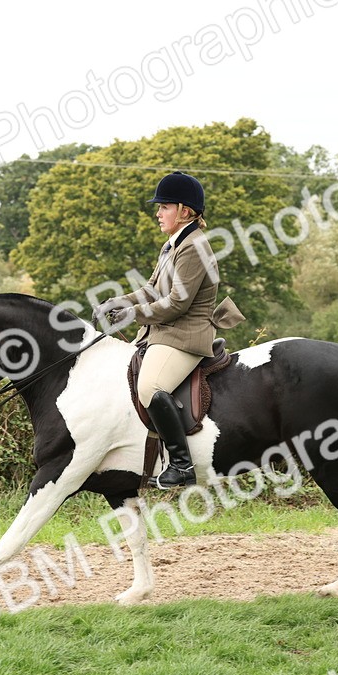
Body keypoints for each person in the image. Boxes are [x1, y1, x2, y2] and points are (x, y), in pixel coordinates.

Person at [94, 171, 244, 488]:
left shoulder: (194, 248)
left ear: (184, 211)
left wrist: (130, 314)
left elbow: (177, 303)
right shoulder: (172, 245)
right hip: (165, 333)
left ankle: (182, 463)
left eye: (164, 207)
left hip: (185, 336)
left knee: (149, 386)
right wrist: (116, 301)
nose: (158, 213)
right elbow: (151, 290)